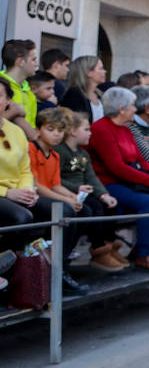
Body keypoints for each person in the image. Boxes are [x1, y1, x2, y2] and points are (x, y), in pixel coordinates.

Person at [88, 86, 149, 272]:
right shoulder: (101, 129)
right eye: (132, 106)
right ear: (121, 109)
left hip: (128, 181)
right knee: (148, 202)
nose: (136, 109)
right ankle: (145, 255)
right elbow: (116, 168)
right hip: (107, 184)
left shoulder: (126, 129)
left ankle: (144, 248)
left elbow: (141, 160)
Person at [27, 108, 100, 294]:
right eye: (50, 129)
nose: (56, 134)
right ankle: (54, 267)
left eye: (60, 130)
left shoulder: (54, 155)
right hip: (33, 197)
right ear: (38, 130)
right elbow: (38, 186)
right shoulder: (31, 149)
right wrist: (66, 200)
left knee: (84, 210)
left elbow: (56, 184)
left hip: (48, 196)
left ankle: (62, 261)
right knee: (67, 211)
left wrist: (72, 197)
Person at [51, 109, 126, 271]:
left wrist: (104, 194)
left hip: (84, 192)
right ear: (72, 131)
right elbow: (55, 178)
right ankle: (99, 250)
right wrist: (76, 188)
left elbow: (91, 177)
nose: (90, 133)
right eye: (86, 129)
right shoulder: (60, 151)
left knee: (109, 205)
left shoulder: (84, 153)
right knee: (93, 209)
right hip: (65, 192)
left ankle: (108, 246)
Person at [0, 78, 38, 248]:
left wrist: (27, 190)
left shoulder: (15, 131)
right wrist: (7, 193)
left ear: (8, 100)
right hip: (4, 193)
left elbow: (24, 169)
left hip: (17, 190)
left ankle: (56, 266)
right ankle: (5, 263)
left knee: (65, 211)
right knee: (22, 217)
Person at [1, 38, 39, 139]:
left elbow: (32, 128)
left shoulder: (30, 93)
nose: (37, 64)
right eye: (34, 59)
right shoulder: (1, 87)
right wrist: (12, 113)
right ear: (20, 62)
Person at [58, 55, 106, 124]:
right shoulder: (74, 94)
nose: (104, 71)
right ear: (89, 73)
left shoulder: (100, 94)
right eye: (101, 68)